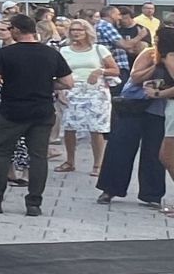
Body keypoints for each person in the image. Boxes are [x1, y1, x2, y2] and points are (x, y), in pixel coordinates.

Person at [0, 13, 76, 216]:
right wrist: (47, 84)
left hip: (12, 111)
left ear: (16, 30)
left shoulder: (6, 53)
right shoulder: (51, 53)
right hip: (42, 112)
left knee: (2, 154)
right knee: (38, 157)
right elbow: (68, 82)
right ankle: (34, 204)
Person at [97, 26, 168, 208]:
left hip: (160, 110)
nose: (158, 43)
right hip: (135, 107)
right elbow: (135, 78)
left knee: (154, 153)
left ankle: (152, 194)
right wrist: (156, 65)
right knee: (120, 146)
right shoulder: (149, 53)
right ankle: (110, 189)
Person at [57, 18, 116, 174]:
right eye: (73, 30)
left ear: (87, 31)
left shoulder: (99, 49)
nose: (76, 33)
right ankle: (70, 161)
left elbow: (115, 70)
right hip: (73, 89)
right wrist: (59, 90)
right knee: (69, 126)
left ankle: (98, 164)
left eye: (79, 30)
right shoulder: (64, 51)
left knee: (96, 128)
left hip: (96, 91)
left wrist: (100, 71)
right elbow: (59, 72)